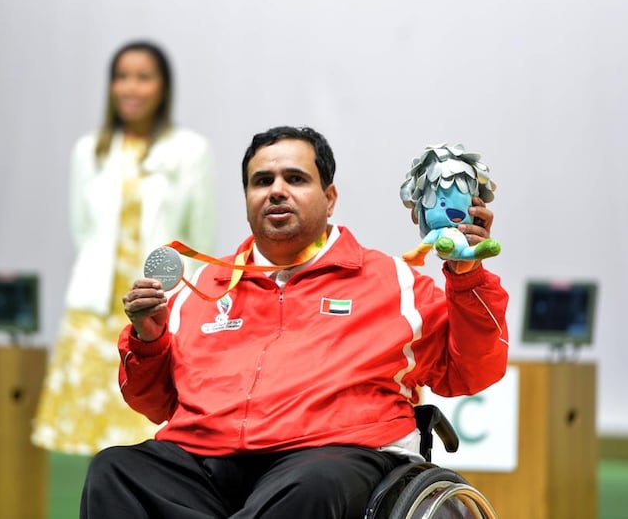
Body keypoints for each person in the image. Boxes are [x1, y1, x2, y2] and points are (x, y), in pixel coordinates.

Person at [80, 126, 508, 518]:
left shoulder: (392, 282)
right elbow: (157, 405)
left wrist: (466, 277)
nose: (276, 191)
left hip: (329, 458)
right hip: (206, 461)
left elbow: (471, 370)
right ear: (247, 197)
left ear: (330, 197)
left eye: (295, 179)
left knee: (312, 483)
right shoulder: (201, 287)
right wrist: (148, 339)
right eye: (262, 181)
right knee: (116, 470)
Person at [31, 40, 216, 454]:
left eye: (143, 77)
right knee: (86, 436)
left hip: (154, 309)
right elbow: (83, 231)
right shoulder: (89, 150)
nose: (131, 87)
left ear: (163, 87)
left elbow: (199, 240)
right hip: (94, 310)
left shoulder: (190, 151)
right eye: (122, 77)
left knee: (146, 429)